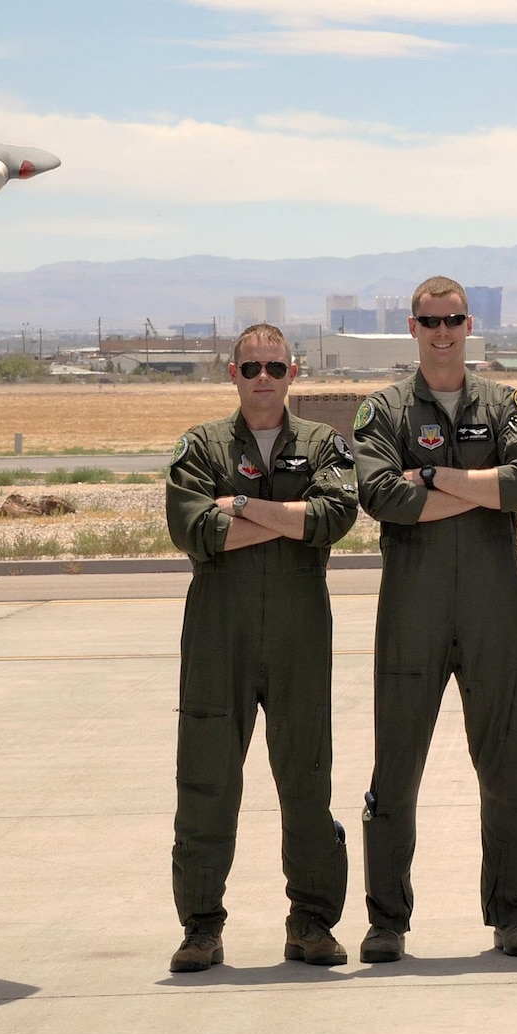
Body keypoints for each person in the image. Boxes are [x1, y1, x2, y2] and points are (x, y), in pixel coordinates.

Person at [351, 276, 517, 963]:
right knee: (396, 767)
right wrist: (481, 487)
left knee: (505, 768)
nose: (442, 332)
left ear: (470, 326)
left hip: (494, 603)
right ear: (411, 327)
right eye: (430, 321)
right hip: (413, 605)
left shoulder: (507, 403)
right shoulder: (382, 411)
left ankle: (512, 913)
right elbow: (381, 496)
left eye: (454, 320)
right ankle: (386, 921)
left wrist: (434, 479)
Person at [163, 323, 360, 973]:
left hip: (301, 635)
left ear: (294, 371)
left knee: (307, 781)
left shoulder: (323, 445)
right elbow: (194, 529)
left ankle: (311, 923)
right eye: (251, 368)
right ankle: (202, 927)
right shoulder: (202, 446)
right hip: (221, 636)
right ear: (233, 374)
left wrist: (242, 506)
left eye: (275, 365)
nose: (264, 377)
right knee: (207, 781)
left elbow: (333, 518)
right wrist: (286, 520)